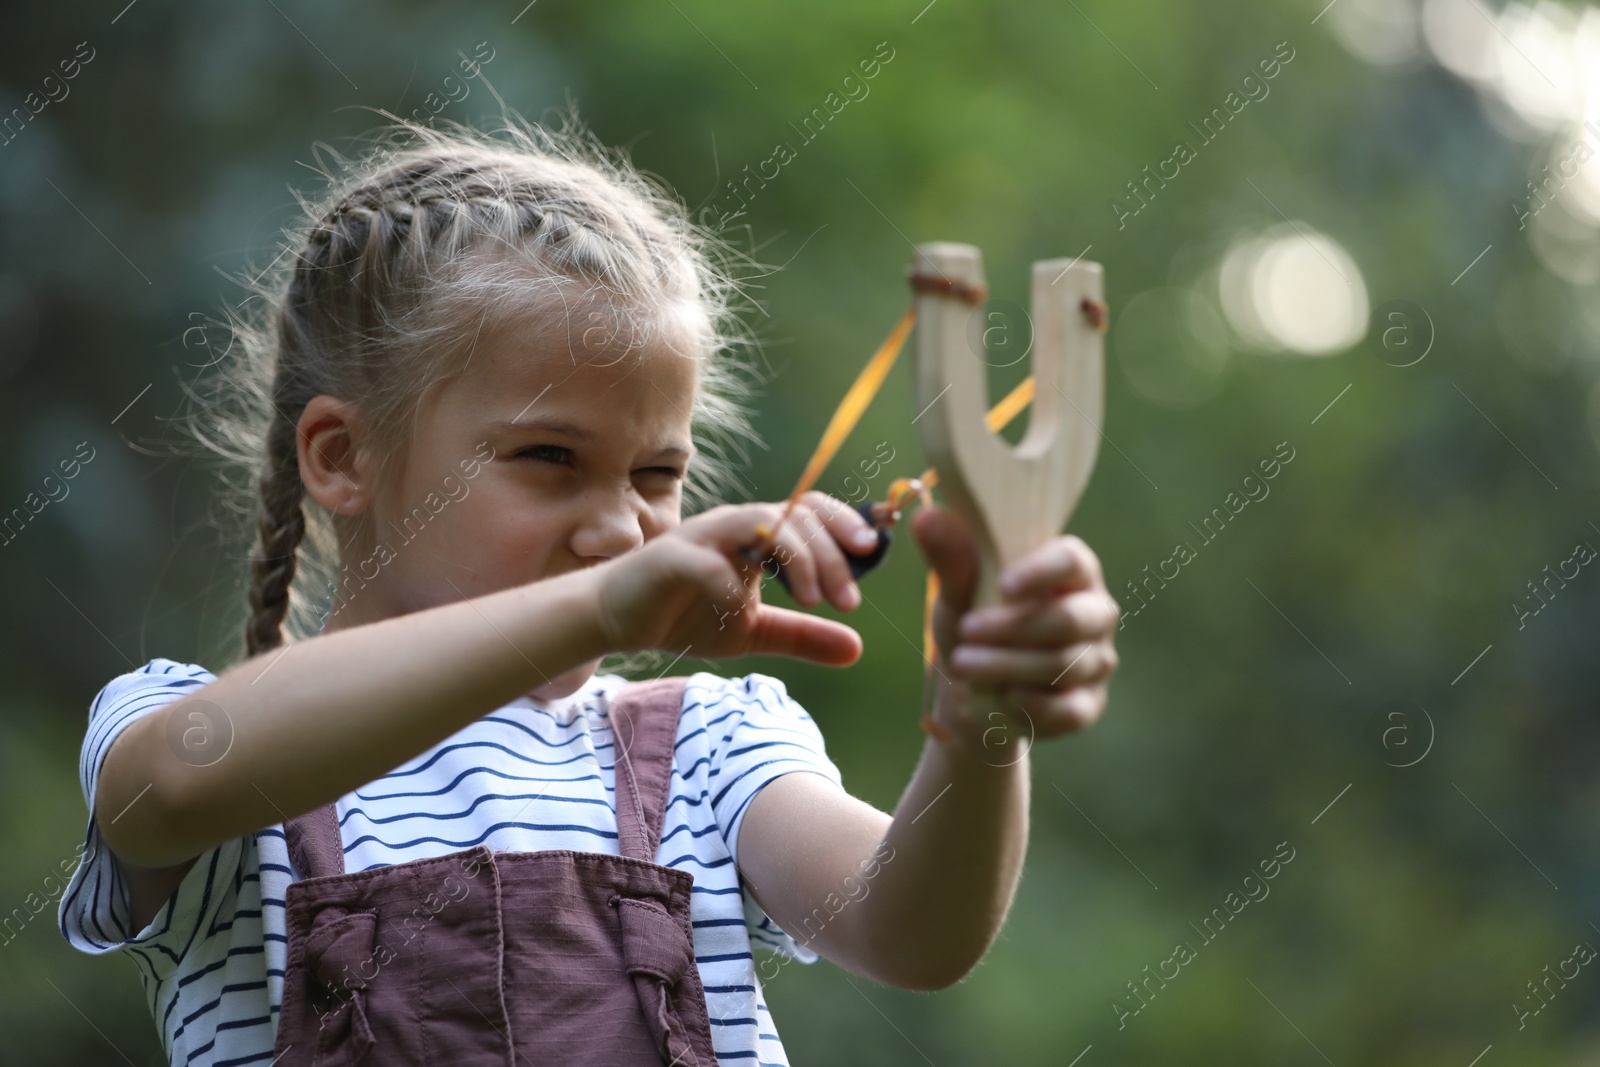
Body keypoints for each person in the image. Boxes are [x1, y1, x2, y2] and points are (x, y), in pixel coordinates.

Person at [57, 114, 1120, 1066]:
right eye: (550, 457)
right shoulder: (190, 725)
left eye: (656, 474)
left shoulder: (707, 745)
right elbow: (171, 792)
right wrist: (599, 608)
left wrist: (983, 717)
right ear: (342, 456)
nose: (622, 524)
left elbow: (911, 931)